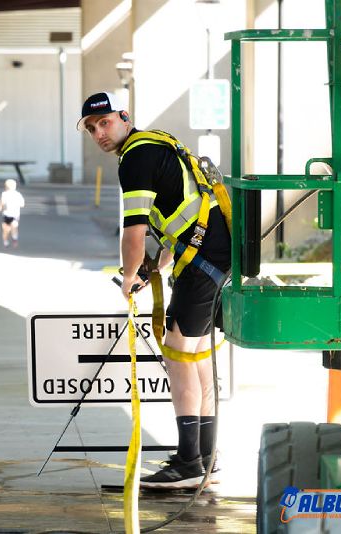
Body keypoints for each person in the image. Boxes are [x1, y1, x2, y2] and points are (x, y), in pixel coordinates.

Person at [77, 92, 231, 489]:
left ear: (124, 117)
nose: (99, 133)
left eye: (104, 122)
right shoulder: (157, 144)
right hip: (212, 257)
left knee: (180, 356)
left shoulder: (135, 159)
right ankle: (204, 458)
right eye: (92, 129)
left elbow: (134, 230)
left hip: (203, 263)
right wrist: (152, 269)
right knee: (196, 357)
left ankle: (189, 463)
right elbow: (181, 223)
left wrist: (128, 276)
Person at [0, 178, 26, 248]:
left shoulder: (18, 195)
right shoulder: (4, 194)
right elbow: (2, 202)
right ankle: (5, 241)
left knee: (14, 226)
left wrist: (17, 204)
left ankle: (14, 239)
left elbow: (22, 204)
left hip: (14, 214)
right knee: (6, 230)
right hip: (6, 214)